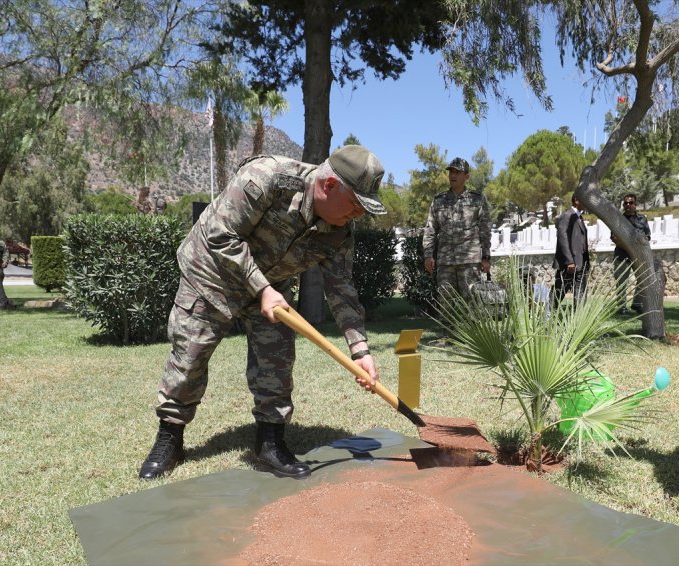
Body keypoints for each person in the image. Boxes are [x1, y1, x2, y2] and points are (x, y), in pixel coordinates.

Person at [138, 145, 387, 481]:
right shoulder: (269, 178)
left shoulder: (340, 231)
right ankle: (170, 438)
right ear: (329, 185)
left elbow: (342, 288)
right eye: (355, 204)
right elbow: (221, 234)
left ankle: (270, 443)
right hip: (211, 273)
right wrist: (262, 288)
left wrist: (360, 350)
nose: (357, 215)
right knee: (190, 357)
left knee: (277, 360)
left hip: (272, 285)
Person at [422, 157, 491, 300]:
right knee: (446, 306)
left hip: (469, 263)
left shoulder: (477, 199)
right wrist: (428, 255)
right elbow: (430, 229)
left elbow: (485, 230)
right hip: (446, 263)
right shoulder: (439, 200)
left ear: (467, 176)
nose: (453, 175)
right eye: (451, 172)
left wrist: (486, 257)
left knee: (472, 305)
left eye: (457, 172)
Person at [611, 193, 651, 314]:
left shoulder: (642, 219)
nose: (628, 205)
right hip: (622, 255)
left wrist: (638, 246)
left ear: (635, 204)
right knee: (621, 282)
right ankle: (621, 307)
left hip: (638, 255)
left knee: (643, 279)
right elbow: (614, 238)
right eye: (626, 203)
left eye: (631, 203)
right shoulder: (618, 219)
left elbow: (647, 236)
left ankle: (637, 304)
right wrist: (629, 247)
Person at [551, 195, 589, 311]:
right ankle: (547, 315)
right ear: (576, 200)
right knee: (558, 293)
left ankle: (579, 316)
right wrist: (569, 261)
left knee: (580, 292)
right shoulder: (567, 216)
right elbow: (562, 238)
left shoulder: (579, 217)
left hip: (580, 262)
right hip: (569, 264)